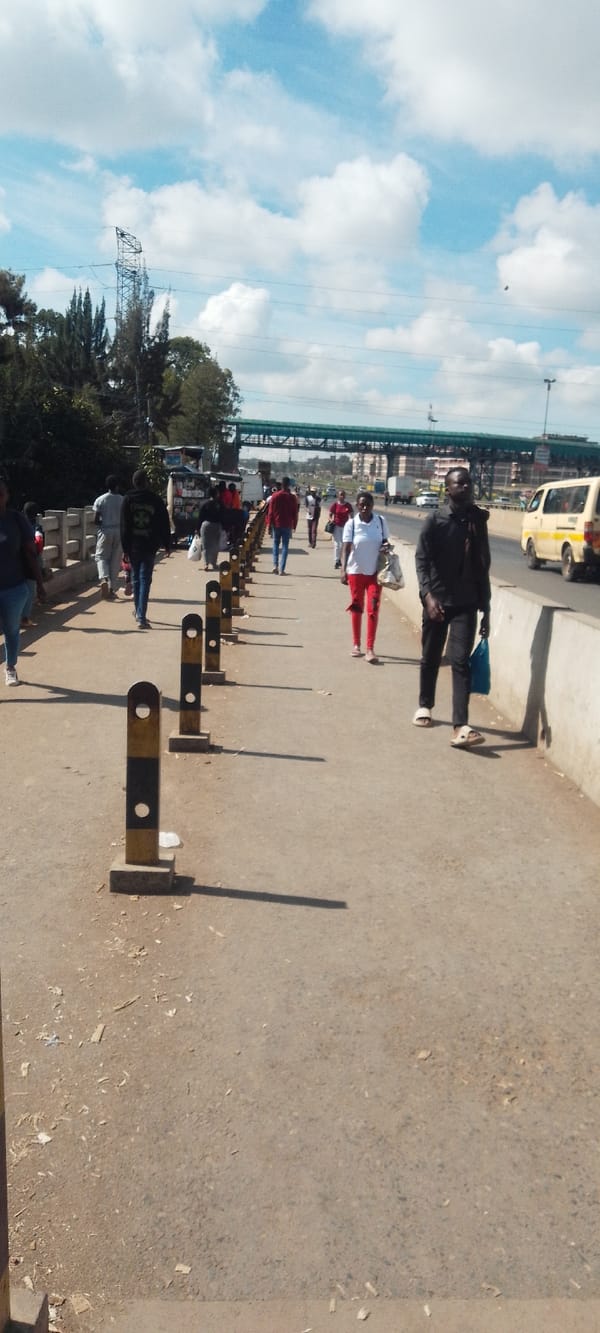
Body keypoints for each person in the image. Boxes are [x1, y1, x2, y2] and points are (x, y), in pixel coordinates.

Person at [414, 466, 491, 747]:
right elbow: (421, 560)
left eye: (469, 483)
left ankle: (461, 725)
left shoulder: (477, 521)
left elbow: (483, 565)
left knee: (460, 662)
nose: (467, 487)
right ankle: (425, 705)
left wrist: (487, 609)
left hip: (467, 603)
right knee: (431, 656)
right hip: (437, 601)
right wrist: (428, 596)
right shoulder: (435, 520)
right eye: (461, 484)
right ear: (448, 488)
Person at [0, 477, 46, 685]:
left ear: (7, 496)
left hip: (13, 588)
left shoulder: (16, 520)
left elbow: (30, 554)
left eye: (0, 494)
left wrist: (40, 584)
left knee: (11, 630)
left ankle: (10, 667)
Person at [340, 490, 389, 663]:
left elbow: (385, 543)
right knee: (356, 608)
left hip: (375, 573)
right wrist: (343, 570)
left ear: (373, 506)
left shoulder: (381, 522)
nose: (365, 507)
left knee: (373, 609)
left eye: (368, 504)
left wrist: (386, 548)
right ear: (357, 505)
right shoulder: (351, 524)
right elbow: (345, 548)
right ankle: (356, 644)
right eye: (361, 504)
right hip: (355, 572)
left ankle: (370, 648)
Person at [120, 469, 172, 628]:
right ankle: (141, 616)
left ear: (134, 483)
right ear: (146, 482)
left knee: (136, 579)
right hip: (150, 545)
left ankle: (139, 613)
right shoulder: (155, 500)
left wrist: (125, 548)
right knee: (144, 580)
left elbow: (124, 525)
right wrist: (167, 543)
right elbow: (164, 523)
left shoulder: (128, 499)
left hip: (134, 545)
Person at [93, 474, 123, 598]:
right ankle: (111, 589)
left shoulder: (100, 499)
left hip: (105, 530)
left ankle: (104, 578)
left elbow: (95, 519)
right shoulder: (123, 499)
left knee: (101, 557)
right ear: (117, 486)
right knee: (115, 560)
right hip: (119, 531)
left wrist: (103, 523)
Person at [267, 476, 298, 574]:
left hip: (276, 524)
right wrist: (294, 525)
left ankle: (275, 565)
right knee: (285, 547)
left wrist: (269, 524)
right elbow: (295, 513)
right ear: (289, 485)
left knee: (276, 544)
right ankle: (282, 569)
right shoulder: (292, 497)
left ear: (282, 484)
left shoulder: (275, 496)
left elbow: (270, 512)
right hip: (287, 525)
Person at [21, 501, 45, 626]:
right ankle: (24, 618)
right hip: (31, 563)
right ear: (36, 515)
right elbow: (39, 544)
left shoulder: (17, 525)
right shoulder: (36, 527)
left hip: (16, 563)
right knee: (30, 591)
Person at [197, 486, 223, 570]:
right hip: (217, 525)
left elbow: (200, 517)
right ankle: (214, 563)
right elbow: (224, 515)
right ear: (216, 494)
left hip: (206, 525)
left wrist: (197, 528)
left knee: (205, 545)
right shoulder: (219, 503)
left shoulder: (203, 503)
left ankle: (206, 564)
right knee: (215, 545)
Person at [328, 488, 353, 569]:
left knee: (343, 544)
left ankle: (342, 559)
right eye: (340, 494)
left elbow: (351, 516)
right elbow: (330, 514)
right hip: (337, 526)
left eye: (343, 494)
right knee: (337, 544)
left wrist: (350, 521)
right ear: (338, 496)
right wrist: (331, 519)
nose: (342, 496)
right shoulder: (335, 505)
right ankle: (336, 560)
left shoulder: (348, 505)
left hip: (346, 528)